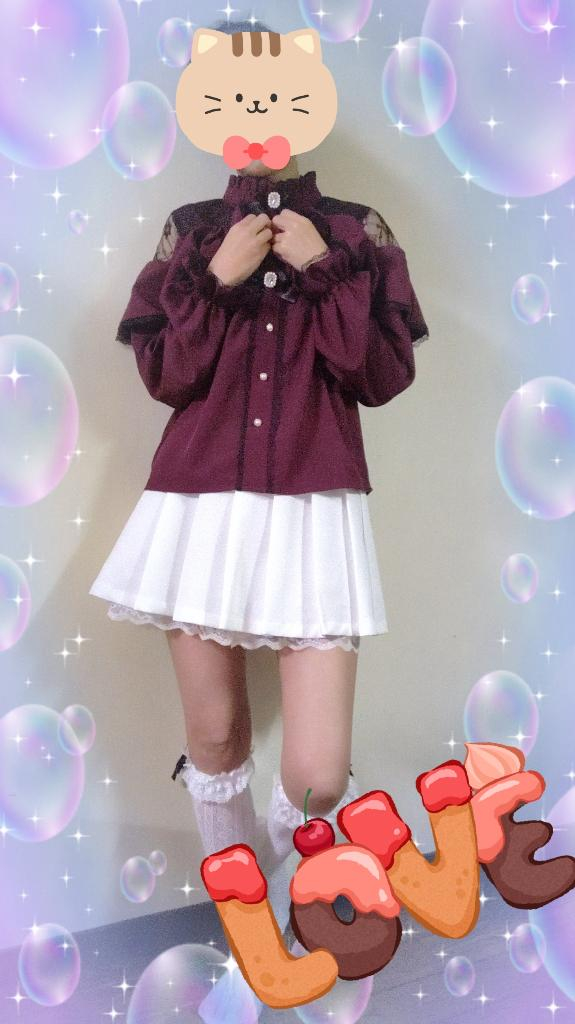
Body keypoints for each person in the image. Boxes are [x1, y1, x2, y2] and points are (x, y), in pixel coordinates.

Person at [88, 18, 429, 937]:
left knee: (317, 776)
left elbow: (378, 375)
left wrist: (322, 269)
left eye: (276, 95)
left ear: (306, 99)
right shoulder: (190, 232)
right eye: (232, 97)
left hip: (315, 506)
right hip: (198, 504)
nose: (256, 113)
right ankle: (241, 929)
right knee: (215, 736)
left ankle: (276, 909)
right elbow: (168, 377)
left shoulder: (356, 231)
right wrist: (216, 277)